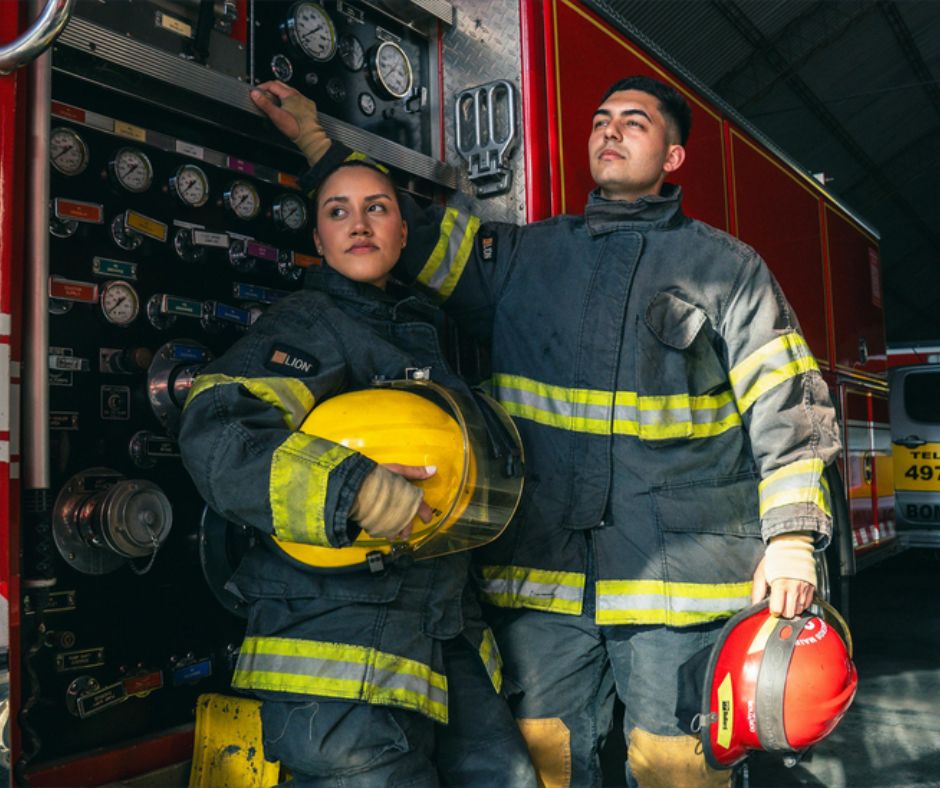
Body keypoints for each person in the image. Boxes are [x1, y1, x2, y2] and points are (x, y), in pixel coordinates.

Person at [250, 75, 841, 788]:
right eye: (600, 119)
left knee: (677, 772)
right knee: (544, 768)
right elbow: (393, 226)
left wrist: (792, 540)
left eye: (635, 122)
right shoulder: (521, 258)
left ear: (673, 157)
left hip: (677, 597)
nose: (610, 130)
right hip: (544, 593)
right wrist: (317, 142)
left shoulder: (728, 271)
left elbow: (788, 406)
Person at [178, 161, 537, 787]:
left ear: (403, 232)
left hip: (438, 636)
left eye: (377, 208)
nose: (359, 224)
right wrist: (352, 489)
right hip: (338, 656)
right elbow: (218, 429)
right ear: (318, 241)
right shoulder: (310, 322)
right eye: (337, 211)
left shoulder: (424, 334)